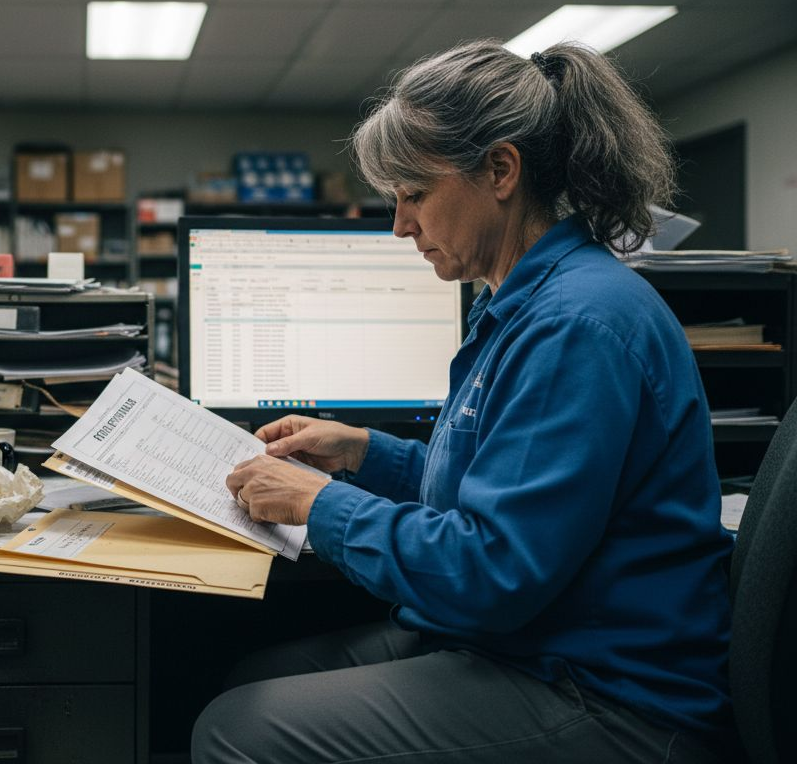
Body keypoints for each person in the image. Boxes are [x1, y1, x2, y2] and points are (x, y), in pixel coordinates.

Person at [192, 39, 737, 764]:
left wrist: (314, 503)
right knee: (253, 678)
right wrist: (365, 452)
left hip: (606, 695)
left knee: (238, 730)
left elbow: (491, 572)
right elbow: (501, 490)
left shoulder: (575, 326)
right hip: (533, 643)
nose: (400, 225)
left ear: (500, 170)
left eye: (415, 194)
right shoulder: (525, 301)